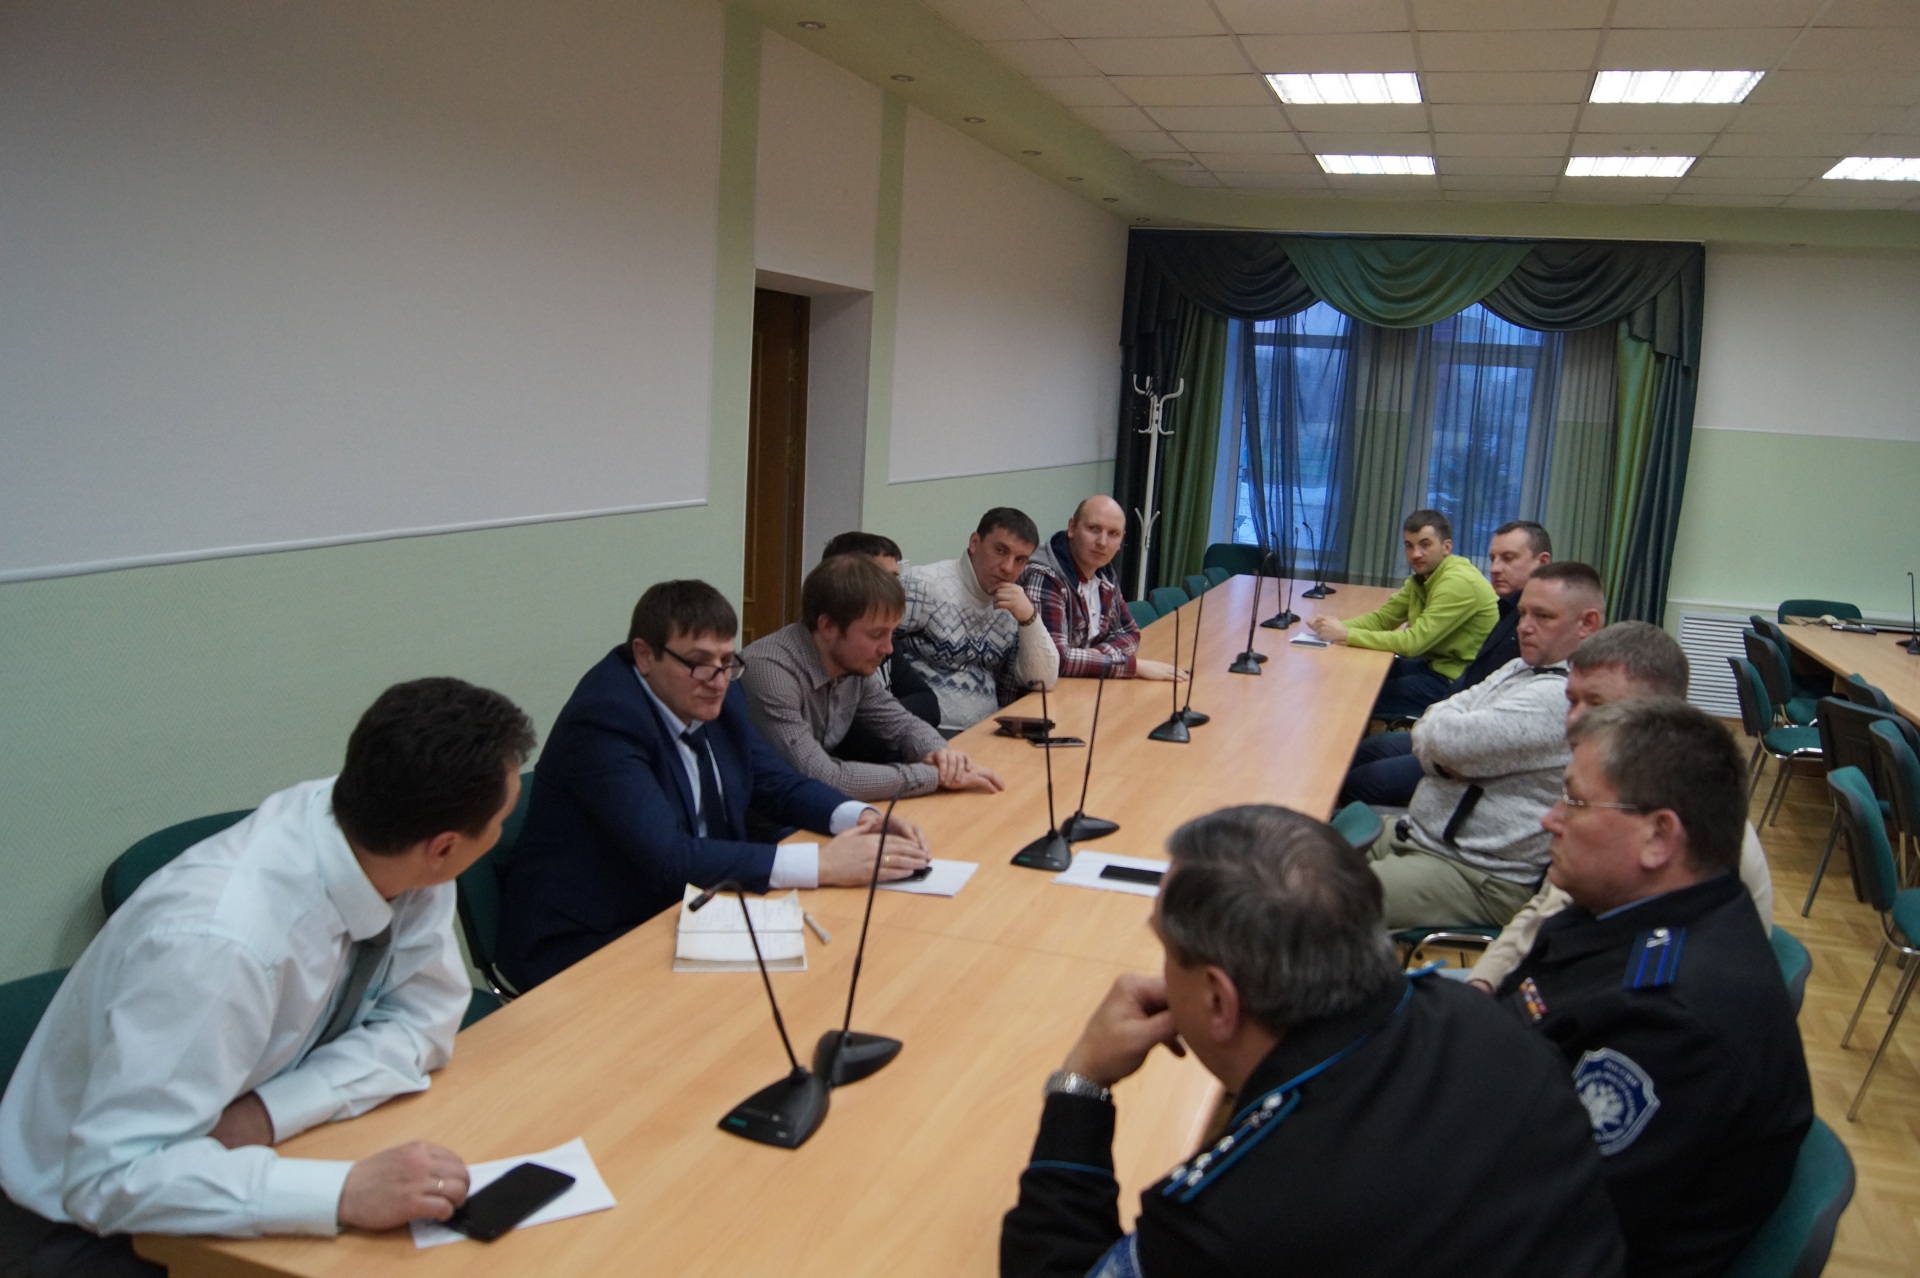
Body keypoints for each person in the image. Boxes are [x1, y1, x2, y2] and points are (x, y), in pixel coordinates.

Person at [0, 679, 537, 1272]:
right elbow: (108, 1179)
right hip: (82, 1226)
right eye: (499, 822)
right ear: (444, 848)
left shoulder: (394, 838)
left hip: (242, 1145)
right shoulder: (218, 945)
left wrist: (266, 1114)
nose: (498, 834)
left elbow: (422, 1024)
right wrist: (342, 1192)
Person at [1000, 805, 1624, 1278]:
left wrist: (1081, 1084)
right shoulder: (1494, 1024)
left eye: (1167, 954)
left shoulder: (1233, 1213)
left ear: (1219, 1001)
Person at [1500, 699, 1812, 1277]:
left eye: (1573, 801)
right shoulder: (1619, 909)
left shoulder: (1674, 1022)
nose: (1550, 819)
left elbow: (1556, 1221)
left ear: (1658, 837)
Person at [495, 580, 929, 991]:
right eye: (699, 662)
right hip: (591, 937)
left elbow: (775, 782)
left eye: (725, 661)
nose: (718, 680)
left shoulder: (719, 691)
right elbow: (669, 857)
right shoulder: (605, 720)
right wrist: (823, 864)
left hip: (694, 907)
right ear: (644, 655)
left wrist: (860, 817)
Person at [1466, 623, 1775, 992]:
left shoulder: (1694, 833)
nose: (1574, 720)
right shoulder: (1609, 787)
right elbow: (1544, 908)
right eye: (1572, 701)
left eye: (1599, 706)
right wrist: (1481, 984)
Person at [1364, 562, 1605, 930]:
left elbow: (1449, 740)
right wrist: (1443, 753)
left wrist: (1442, 745)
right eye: (1523, 613)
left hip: (1475, 874)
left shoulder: (1562, 697)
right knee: (1299, 850)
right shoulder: (1520, 667)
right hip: (1419, 835)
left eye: (1542, 616)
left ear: (1587, 623)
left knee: (1314, 897)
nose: (1524, 626)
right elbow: (1438, 714)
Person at [740, 554, 1003, 801]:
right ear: (828, 626)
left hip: (810, 807)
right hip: (763, 819)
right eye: (876, 635)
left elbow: (903, 725)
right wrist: (934, 776)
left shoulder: (849, 663)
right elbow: (824, 778)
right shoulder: (770, 673)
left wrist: (941, 755)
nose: (888, 649)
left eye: (891, 633)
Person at [1339, 520, 1554, 807]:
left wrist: (1434, 732)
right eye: (1492, 558)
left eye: (1508, 558)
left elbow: (1489, 728)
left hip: (1461, 745)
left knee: (1354, 777)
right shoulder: (1508, 610)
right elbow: (1477, 685)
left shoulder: (1535, 640)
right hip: (1448, 718)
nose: (1494, 568)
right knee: (1357, 753)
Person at [1307, 508, 1499, 720]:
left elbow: (1412, 644)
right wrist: (1331, 627)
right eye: (1409, 545)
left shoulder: (1458, 582)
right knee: (1356, 675)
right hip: (1433, 664)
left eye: (1425, 544)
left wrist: (1345, 634)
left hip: (1456, 682)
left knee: (1359, 695)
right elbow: (1383, 619)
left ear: (1446, 547)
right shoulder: (1424, 578)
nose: (1415, 554)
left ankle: (1362, 740)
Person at [894, 507, 1060, 732]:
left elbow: (1043, 680)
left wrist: (1029, 618)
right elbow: (875, 654)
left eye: (1020, 560)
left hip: (987, 730)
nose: (1008, 567)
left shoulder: (1012, 604)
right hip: (923, 730)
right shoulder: (922, 584)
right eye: (1000, 550)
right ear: (974, 542)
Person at [1018, 495, 1182, 681]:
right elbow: (1055, 659)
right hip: (1037, 694)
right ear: (1072, 528)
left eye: (1113, 533)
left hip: (1081, 684)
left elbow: (1130, 633)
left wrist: (1097, 658)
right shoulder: (1043, 575)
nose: (1102, 542)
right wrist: (1133, 666)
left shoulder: (1104, 571)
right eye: (1093, 529)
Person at [818, 531, 941, 735]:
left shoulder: (884, 639)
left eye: (896, 579)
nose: (896, 590)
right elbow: (845, 737)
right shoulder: (839, 646)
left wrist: (887, 718)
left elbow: (928, 703)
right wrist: (891, 722)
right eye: (885, 579)